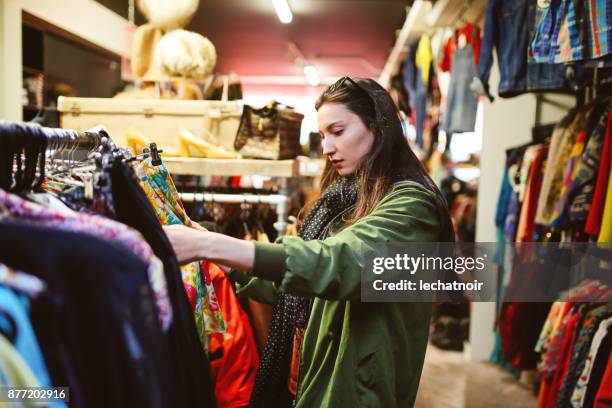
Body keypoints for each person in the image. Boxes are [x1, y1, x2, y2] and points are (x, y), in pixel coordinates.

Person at [164, 77, 455, 407]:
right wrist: (223, 258)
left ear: (377, 126)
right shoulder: (343, 200)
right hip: (321, 374)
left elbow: (341, 262)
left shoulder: (413, 205)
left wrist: (212, 246)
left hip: (359, 390)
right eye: (323, 136)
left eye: (338, 131)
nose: (327, 147)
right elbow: (292, 283)